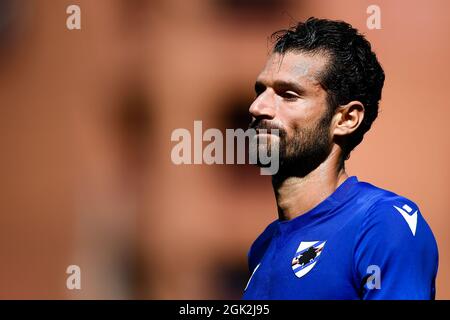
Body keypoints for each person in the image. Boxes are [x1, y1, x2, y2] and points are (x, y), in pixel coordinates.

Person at [242, 17, 438, 300]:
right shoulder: (262, 247)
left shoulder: (382, 224)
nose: (257, 107)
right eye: (261, 91)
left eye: (289, 94)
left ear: (346, 119)